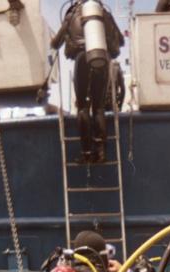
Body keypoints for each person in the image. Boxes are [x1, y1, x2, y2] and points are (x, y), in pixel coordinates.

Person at [51, 0, 125, 164]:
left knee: (83, 107)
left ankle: (86, 153)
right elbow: (120, 41)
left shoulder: (71, 15)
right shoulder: (104, 13)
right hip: (101, 58)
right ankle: (101, 153)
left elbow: (55, 43)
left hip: (82, 59)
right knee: (98, 107)